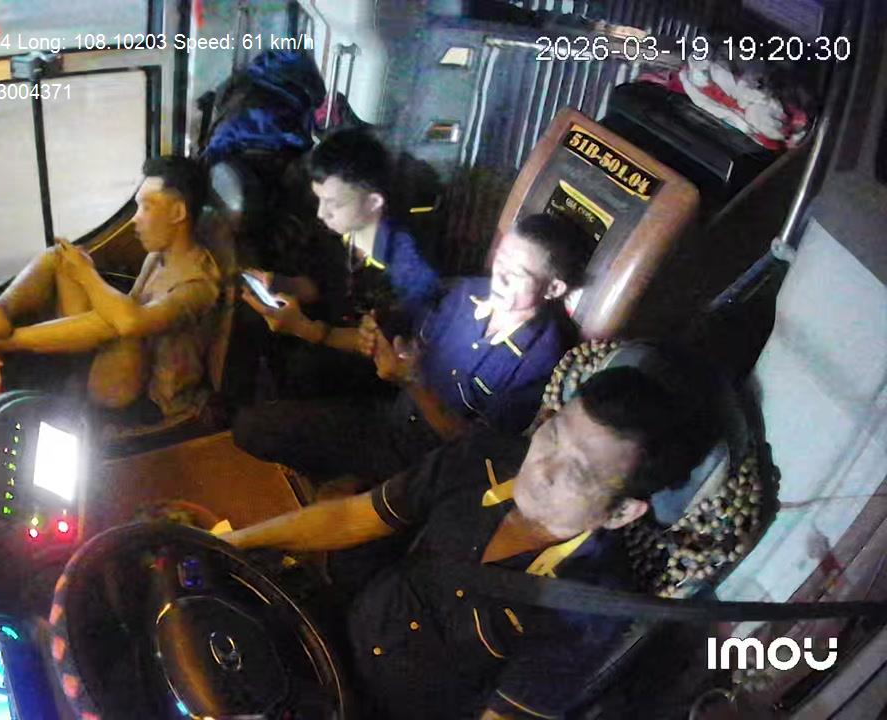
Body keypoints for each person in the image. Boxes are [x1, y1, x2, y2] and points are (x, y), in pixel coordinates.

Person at [222, 367, 713, 719]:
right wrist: (235, 543)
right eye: (553, 434)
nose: (541, 466)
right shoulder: (482, 457)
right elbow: (356, 517)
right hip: (336, 623)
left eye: (578, 472)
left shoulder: (587, 609)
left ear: (622, 512)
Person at [232, 212, 591, 486]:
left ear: (553, 288)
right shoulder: (465, 293)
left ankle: (350, 486)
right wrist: (306, 328)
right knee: (258, 419)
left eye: (519, 273)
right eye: (501, 260)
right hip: (391, 414)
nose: (501, 276)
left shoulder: (539, 361)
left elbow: (473, 449)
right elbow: (381, 340)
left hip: (430, 465)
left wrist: (413, 382)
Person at [0, 156, 221, 421]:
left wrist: (86, 274)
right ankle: (1, 311)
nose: (135, 219)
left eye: (147, 207)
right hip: (116, 362)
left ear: (177, 213)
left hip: (148, 399)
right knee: (60, 257)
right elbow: (124, 308)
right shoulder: (157, 256)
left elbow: (130, 322)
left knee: (121, 322)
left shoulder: (198, 285)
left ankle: (7, 341)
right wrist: (79, 268)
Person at [237, 129, 441, 400]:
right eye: (319, 199)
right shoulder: (340, 230)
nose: (322, 213)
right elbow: (321, 282)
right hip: (329, 336)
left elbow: (383, 348)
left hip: (370, 380)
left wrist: (303, 328)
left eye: (333, 204)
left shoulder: (408, 269)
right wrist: (279, 283)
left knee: (302, 369)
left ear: (373, 202)